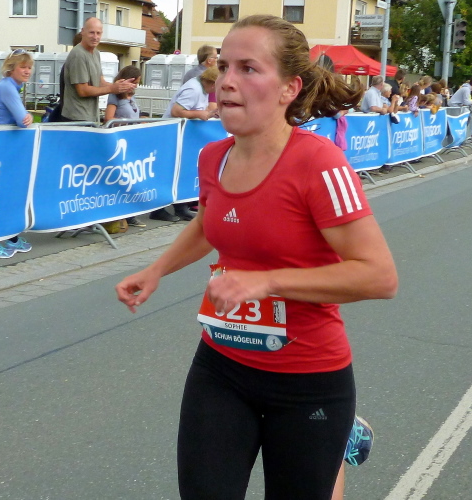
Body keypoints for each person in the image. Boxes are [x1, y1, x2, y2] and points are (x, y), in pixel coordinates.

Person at [115, 14, 398, 500]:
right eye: (224, 66)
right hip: (222, 366)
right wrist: (156, 270)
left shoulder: (319, 163)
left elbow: (379, 277)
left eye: (248, 68)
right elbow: (210, 222)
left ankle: (338, 434)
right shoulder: (213, 157)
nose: (226, 81)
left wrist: (267, 281)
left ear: (289, 88)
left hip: (307, 379)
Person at [0, 49, 35, 259]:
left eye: (29, 67)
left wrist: (28, 117)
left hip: (3, 149)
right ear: (12, 69)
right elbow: (23, 120)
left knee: (7, 195)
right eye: (23, 67)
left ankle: (10, 237)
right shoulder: (7, 88)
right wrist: (28, 116)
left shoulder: (10, 86)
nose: (27, 71)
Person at [151, 67, 219, 222]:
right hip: (172, 135)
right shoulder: (193, 89)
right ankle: (159, 210)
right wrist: (200, 114)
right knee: (168, 172)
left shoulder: (200, 88)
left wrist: (208, 113)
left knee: (180, 171)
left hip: (181, 135)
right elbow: (176, 111)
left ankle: (180, 208)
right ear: (212, 83)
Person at [60, 17, 136, 122]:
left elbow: (100, 82)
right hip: (76, 118)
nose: (95, 37)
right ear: (83, 32)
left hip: (89, 117)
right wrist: (112, 89)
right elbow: (82, 90)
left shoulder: (95, 53)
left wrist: (120, 86)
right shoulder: (78, 54)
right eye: (91, 32)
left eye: (98, 33)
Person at [104, 65, 146, 228]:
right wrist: (127, 122)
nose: (136, 86)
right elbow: (109, 118)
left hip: (132, 140)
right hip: (120, 140)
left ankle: (131, 214)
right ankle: (123, 213)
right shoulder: (115, 96)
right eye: (135, 82)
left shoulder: (132, 97)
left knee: (131, 177)